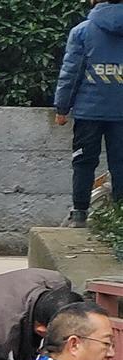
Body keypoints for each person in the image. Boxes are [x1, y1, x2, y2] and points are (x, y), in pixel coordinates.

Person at [54, 0, 123, 226]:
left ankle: (80, 214)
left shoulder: (83, 31)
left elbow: (71, 74)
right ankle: (120, 216)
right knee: (121, 164)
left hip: (89, 111)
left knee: (83, 163)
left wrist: (62, 108)